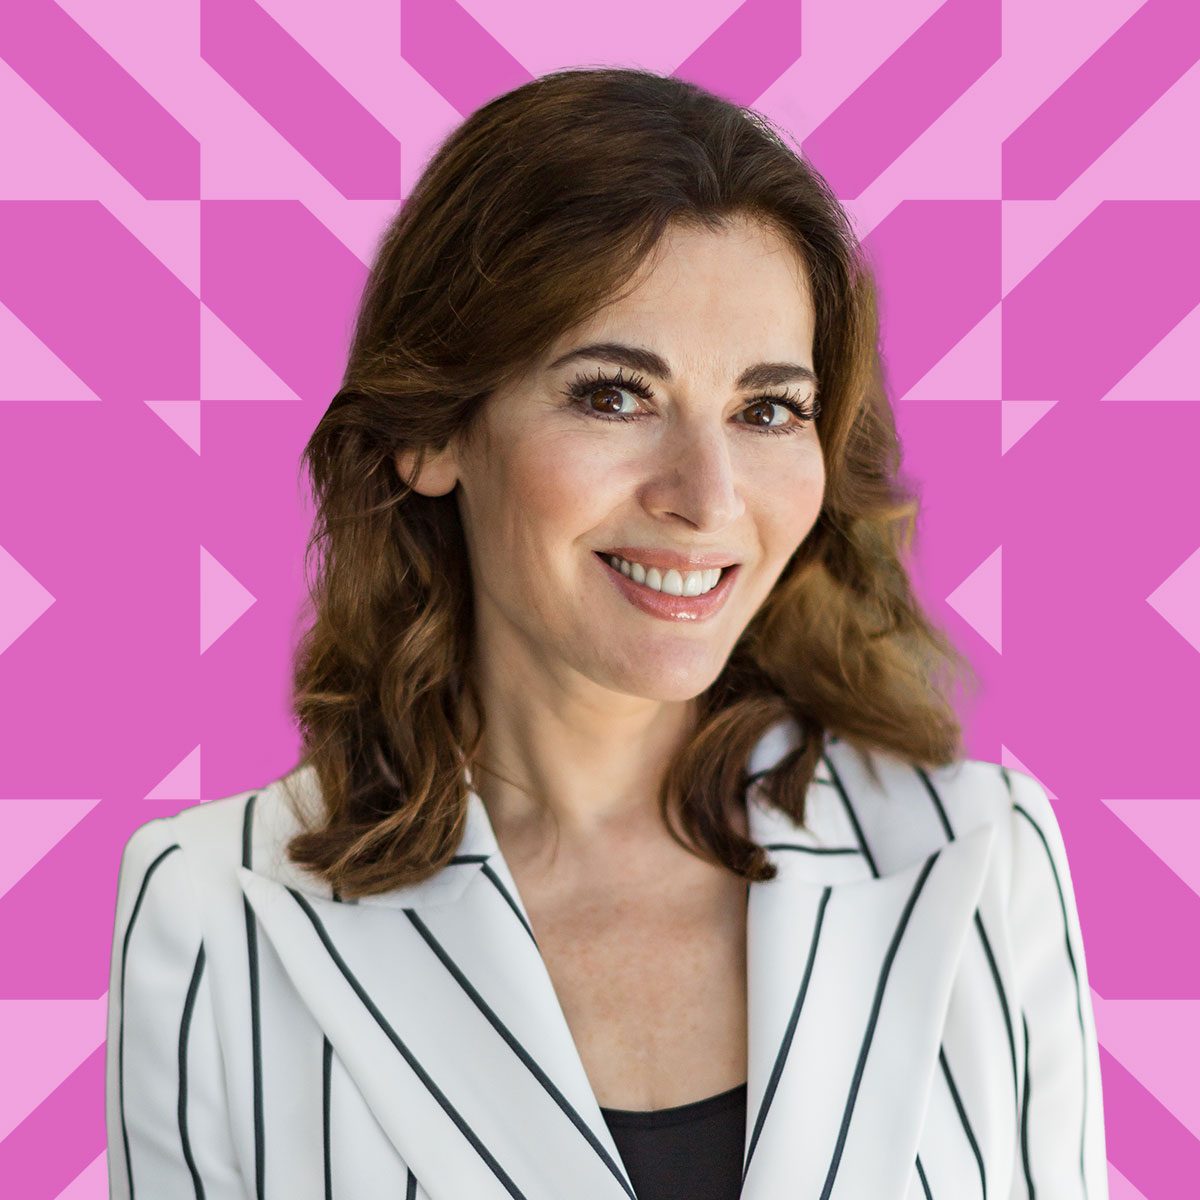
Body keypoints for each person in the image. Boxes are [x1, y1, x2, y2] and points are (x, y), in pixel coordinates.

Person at [104, 66, 1109, 1199]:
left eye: (767, 409)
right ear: (432, 433)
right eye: (614, 396)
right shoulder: (211, 906)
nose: (708, 498)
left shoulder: (983, 859)